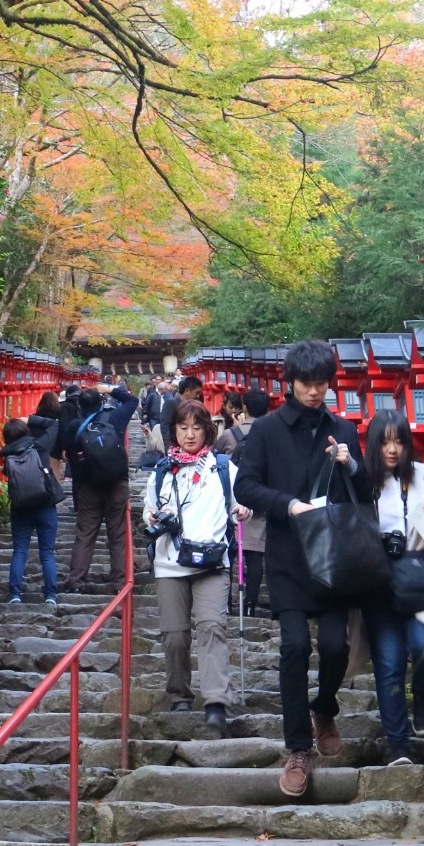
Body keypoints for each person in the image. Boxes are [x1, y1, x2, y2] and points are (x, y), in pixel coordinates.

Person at [234, 341, 374, 797]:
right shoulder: (269, 430)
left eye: (321, 384)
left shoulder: (342, 428)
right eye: (307, 384)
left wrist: (349, 462)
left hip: (334, 558)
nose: (315, 392)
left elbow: (367, 489)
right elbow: (246, 485)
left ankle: (325, 706)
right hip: (289, 557)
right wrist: (286, 504)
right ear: (289, 383)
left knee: (335, 645)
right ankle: (298, 747)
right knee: (294, 647)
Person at [142, 399, 248, 734]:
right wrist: (154, 517)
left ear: (207, 430)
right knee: (174, 636)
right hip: (170, 562)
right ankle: (179, 694)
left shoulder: (222, 468)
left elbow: (240, 503)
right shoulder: (160, 471)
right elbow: (148, 511)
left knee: (212, 627)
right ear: (173, 430)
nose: (190, 435)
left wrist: (243, 510)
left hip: (212, 561)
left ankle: (216, 702)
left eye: (197, 427)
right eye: (183, 427)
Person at [360, 412, 424, 765]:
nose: (392, 449)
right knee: (387, 664)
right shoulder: (362, 480)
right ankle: (398, 745)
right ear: (373, 443)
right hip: (377, 583)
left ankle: (421, 692)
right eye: (385, 441)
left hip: (417, 575)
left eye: (399, 441)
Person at [66, 383, 136, 592]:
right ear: (101, 402)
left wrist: (78, 494)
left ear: (80, 405)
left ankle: (76, 581)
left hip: (89, 485)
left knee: (85, 535)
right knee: (118, 534)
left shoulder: (74, 427)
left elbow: (72, 461)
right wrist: (109, 389)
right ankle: (120, 583)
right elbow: (133, 401)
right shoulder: (114, 419)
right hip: (117, 483)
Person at [218, 387, 272, 616]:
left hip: (233, 499)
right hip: (260, 499)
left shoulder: (231, 435)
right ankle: (250, 605)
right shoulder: (273, 435)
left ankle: (227, 604)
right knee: (255, 553)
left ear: (245, 408)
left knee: (229, 553)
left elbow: (216, 457)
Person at [0, 418, 62, 606]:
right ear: (25, 431)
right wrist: (32, 419)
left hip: (21, 509)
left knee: (19, 551)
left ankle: (15, 594)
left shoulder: (7, 455)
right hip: (45, 504)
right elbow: (54, 424)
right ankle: (50, 595)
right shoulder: (39, 446)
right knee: (47, 553)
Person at [27, 391, 63, 481]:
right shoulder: (58, 418)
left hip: (38, 447)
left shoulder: (34, 418)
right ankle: (54, 490)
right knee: (54, 473)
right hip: (54, 448)